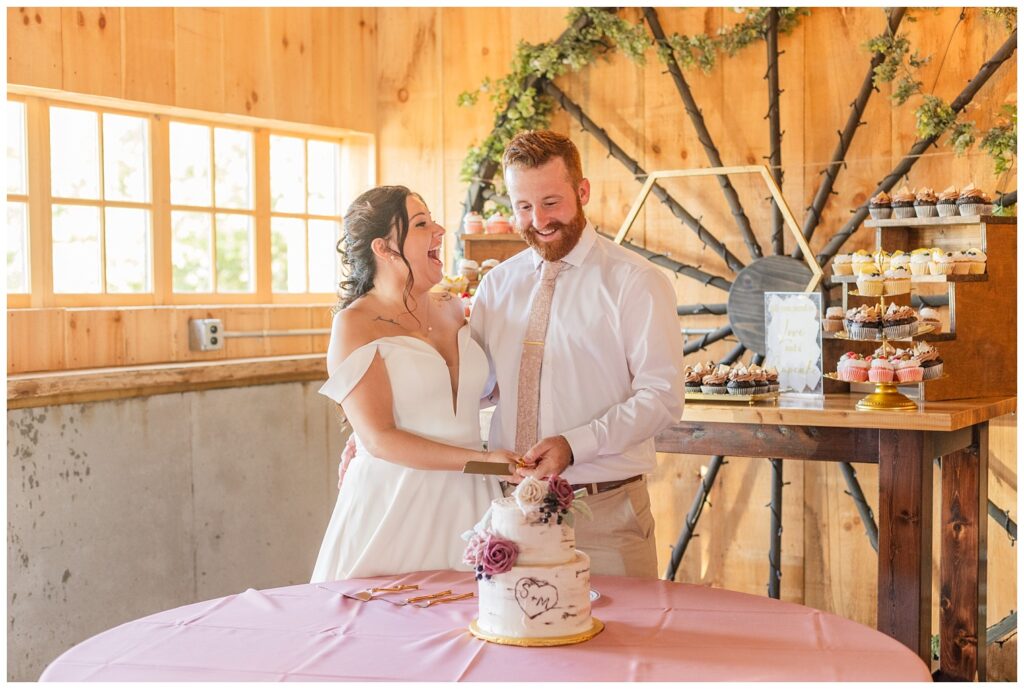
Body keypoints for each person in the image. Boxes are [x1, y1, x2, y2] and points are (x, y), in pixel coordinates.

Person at [469, 130, 685, 578]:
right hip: (509, 514)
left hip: (604, 515)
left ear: (582, 191)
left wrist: (574, 445)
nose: (538, 221)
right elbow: (479, 390)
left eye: (551, 202)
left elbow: (662, 397)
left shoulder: (636, 282)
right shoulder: (497, 285)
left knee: (620, 645)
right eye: (523, 207)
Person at [311, 186, 518, 582]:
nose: (439, 230)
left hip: (471, 504)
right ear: (384, 249)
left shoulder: (452, 308)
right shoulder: (356, 324)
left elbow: (480, 393)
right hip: (396, 505)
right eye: (421, 223)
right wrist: (485, 462)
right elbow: (379, 440)